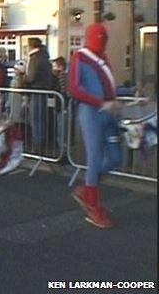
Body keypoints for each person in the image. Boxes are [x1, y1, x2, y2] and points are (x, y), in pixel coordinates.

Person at [68, 23, 122, 229]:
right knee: (95, 158)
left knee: (116, 157)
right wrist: (101, 103)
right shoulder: (80, 57)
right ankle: (92, 205)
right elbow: (74, 88)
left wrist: (129, 91)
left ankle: (87, 188)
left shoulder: (103, 58)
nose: (102, 41)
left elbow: (109, 86)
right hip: (91, 113)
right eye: (100, 38)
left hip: (108, 113)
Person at [24, 37, 52, 147]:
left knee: (35, 118)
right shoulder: (44, 56)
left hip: (36, 89)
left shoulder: (35, 58)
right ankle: (41, 142)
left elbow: (31, 77)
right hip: (43, 89)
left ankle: (38, 143)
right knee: (41, 118)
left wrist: (24, 78)